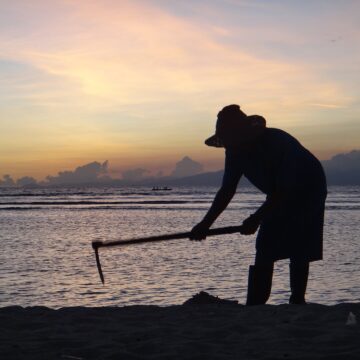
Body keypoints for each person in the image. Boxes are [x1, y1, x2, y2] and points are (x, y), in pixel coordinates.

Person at [190, 104, 327, 305]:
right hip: (278, 193)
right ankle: (255, 304)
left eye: (233, 141)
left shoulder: (278, 142)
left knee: (300, 244)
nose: (231, 146)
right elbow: (227, 190)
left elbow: (285, 189)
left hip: (309, 188)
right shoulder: (234, 152)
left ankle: (297, 300)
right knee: (264, 246)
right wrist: (205, 224)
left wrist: (255, 219)